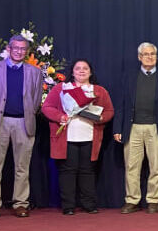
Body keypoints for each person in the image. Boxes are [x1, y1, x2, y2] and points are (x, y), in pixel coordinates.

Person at [0, 34, 44, 218]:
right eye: (16, 48)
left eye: (23, 49)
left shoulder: (34, 72)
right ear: (8, 48)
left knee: (22, 167)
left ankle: (20, 203)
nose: (19, 51)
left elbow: (36, 99)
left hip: (24, 122)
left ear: (27, 51)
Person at [113, 42, 158, 214]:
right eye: (146, 54)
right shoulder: (129, 76)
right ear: (139, 57)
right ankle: (132, 200)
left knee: (157, 167)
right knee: (131, 166)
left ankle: (153, 200)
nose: (150, 57)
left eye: (152, 54)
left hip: (157, 127)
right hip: (132, 127)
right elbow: (121, 104)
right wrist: (117, 128)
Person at [41, 59, 114, 214]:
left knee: (87, 170)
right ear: (72, 72)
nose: (81, 71)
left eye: (85, 68)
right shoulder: (61, 88)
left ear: (90, 72)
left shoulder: (99, 91)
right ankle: (68, 206)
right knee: (68, 171)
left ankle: (89, 205)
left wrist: (101, 118)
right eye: (78, 68)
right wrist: (60, 116)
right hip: (67, 137)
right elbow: (47, 107)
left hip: (89, 136)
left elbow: (109, 111)